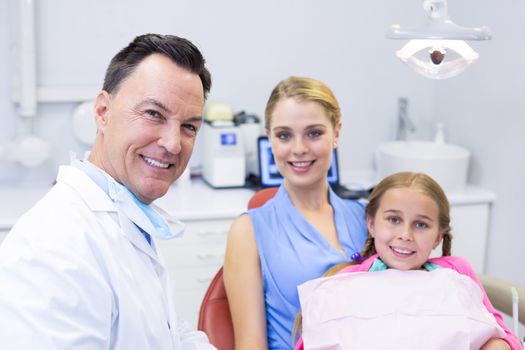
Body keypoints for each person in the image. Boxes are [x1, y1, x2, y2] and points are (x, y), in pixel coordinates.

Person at [0, 34, 217, 349]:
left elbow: (168, 333)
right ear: (103, 111)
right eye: (154, 114)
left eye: (189, 127)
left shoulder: (125, 216)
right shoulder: (54, 245)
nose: (173, 143)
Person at [294, 172, 522, 350]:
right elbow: (311, 341)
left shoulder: (458, 273)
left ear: (438, 236)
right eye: (393, 219)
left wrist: (499, 345)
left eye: (421, 224)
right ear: (372, 224)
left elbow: (503, 334)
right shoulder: (344, 282)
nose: (405, 235)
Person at [223, 76, 368, 349]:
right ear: (270, 139)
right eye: (284, 135)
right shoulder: (248, 232)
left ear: (336, 132)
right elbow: (250, 344)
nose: (299, 149)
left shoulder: (365, 218)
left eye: (314, 133)